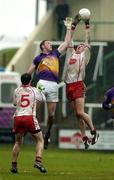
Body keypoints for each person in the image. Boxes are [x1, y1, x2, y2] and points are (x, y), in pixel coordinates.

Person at [27, 15, 80, 149]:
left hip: (54, 86)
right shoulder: (38, 58)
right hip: (42, 83)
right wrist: (26, 86)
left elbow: (67, 42)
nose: (51, 44)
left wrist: (68, 28)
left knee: (51, 116)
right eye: (49, 43)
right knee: (34, 111)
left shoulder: (55, 54)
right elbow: (29, 73)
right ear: (43, 46)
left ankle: (48, 133)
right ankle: (32, 132)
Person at [64, 19, 99, 149]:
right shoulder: (71, 53)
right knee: (77, 114)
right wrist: (71, 26)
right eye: (80, 45)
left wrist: (87, 25)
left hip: (78, 84)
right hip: (68, 85)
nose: (82, 46)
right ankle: (84, 138)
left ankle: (94, 131)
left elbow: (88, 39)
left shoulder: (86, 55)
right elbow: (69, 40)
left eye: (83, 46)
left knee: (80, 112)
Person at [10, 73, 47, 174]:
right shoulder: (34, 90)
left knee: (18, 142)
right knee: (40, 140)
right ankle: (38, 161)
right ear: (30, 81)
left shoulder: (16, 90)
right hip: (29, 117)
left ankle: (14, 165)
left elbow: (14, 104)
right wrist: (41, 91)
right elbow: (43, 99)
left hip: (17, 117)